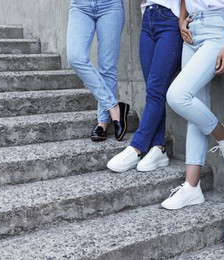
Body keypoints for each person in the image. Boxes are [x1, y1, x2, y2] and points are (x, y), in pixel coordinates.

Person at [160, 0, 224, 210]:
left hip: (217, 27)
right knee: (194, 104)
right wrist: (181, 19)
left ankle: (223, 134)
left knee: (178, 95)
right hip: (191, 29)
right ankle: (192, 186)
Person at [106, 1, 183, 172]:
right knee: (153, 89)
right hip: (147, 18)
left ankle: (137, 147)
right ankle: (159, 147)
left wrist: (182, 18)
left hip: (170, 19)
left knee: (156, 89)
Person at [67, 0, 129, 142]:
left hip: (110, 5)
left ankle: (103, 122)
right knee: (76, 57)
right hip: (80, 6)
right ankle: (114, 107)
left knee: (107, 67)